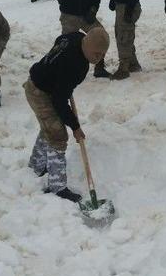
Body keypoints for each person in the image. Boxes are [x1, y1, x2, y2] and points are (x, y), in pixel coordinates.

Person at [25, 28, 110, 202]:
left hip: (43, 84)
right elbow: (59, 101)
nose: (99, 58)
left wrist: (60, 79)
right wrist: (75, 127)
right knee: (57, 134)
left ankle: (36, 166)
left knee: (49, 127)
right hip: (39, 92)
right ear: (87, 44)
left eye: (102, 55)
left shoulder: (75, 37)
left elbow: (60, 39)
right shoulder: (75, 65)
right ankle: (57, 187)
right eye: (96, 54)